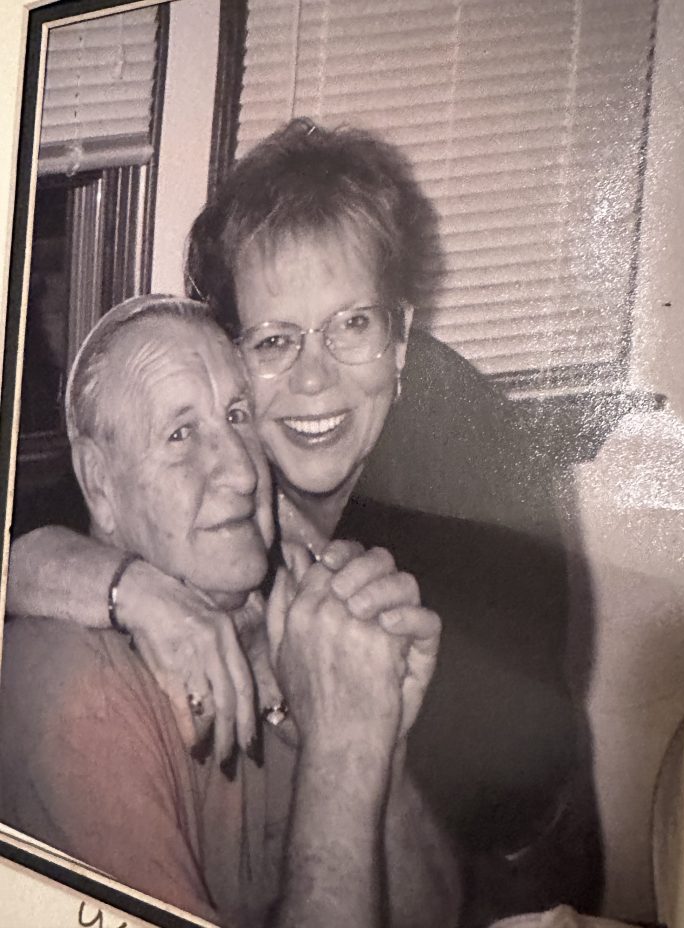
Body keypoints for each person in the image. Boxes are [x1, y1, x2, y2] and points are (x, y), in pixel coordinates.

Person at [7, 121, 603, 922]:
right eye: (276, 340)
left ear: (399, 338)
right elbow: (64, 509)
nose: (314, 379)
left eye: (353, 325)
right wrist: (130, 589)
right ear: (232, 350)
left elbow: (465, 831)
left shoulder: (476, 488)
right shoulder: (227, 441)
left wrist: (352, 726)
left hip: (506, 857)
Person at [0, 295, 459, 928]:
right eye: (181, 434)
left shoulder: (292, 626)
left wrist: (381, 739)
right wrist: (342, 751)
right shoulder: (71, 687)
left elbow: (436, 917)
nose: (242, 473)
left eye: (238, 416)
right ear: (100, 484)